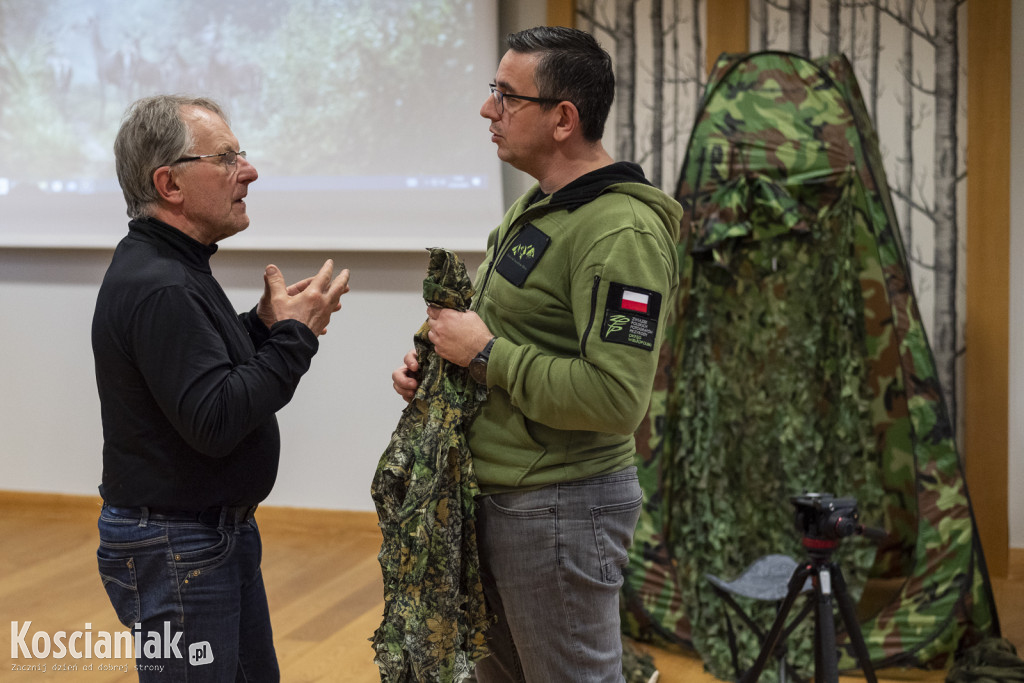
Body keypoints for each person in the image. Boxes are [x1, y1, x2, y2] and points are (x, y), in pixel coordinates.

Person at [392, 26, 681, 682]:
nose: (487, 110)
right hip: (504, 497)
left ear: (563, 118)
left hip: (562, 507)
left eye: (506, 96)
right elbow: (508, 329)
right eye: (492, 91)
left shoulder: (622, 233)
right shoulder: (540, 207)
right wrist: (442, 369)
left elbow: (615, 399)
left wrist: (487, 355)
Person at [92, 94, 349, 682]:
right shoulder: (162, 284)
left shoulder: (171, 267)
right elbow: (215, 419)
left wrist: (259, 327)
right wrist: (294, 338)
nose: (249, 171)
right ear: (170, 184)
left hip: (201, 538)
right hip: (178, 547)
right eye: (227, 157)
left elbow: (194, 370)